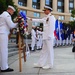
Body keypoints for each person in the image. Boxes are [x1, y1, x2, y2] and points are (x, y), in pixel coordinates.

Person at [0, 5, 17, 72]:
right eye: (12, 11)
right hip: (3, 33)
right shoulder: (7, 15)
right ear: (10, 10)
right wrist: (18, 24)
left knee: (1, 51)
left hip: (1, 33)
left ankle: (2, 65)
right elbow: (11, 25)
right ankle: (4, 67)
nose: (12, 13)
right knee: (4, 50)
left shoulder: (2, 14)